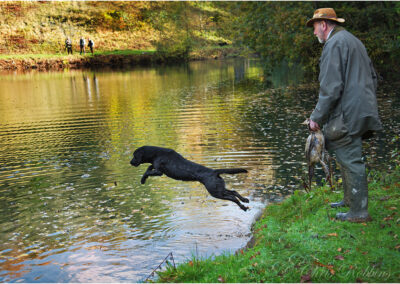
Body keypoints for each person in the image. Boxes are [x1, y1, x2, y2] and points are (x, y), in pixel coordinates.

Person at [306, 8, 382, 222]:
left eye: (314, 27)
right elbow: (374, 76)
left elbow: (331, 87)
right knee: (344, 152)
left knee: (350, 158)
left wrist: (316, 117)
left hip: (350, 111)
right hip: (361, 107)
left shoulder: (334, 44)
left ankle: (359, 212)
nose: (314, 33)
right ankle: (350, 200)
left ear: (323, 25)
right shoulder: (351, 40)